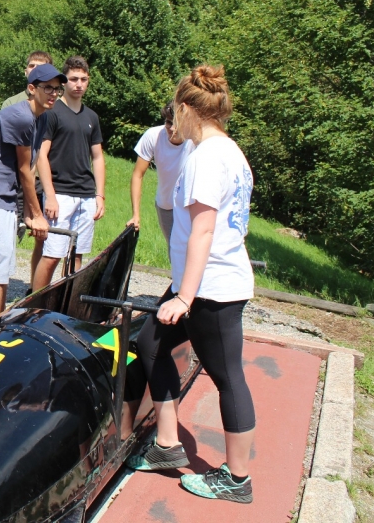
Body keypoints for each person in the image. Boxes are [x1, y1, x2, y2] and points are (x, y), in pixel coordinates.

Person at [127, 65, 256, 504]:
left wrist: (184, 295)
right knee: (152, 343)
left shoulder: (205, 157)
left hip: (211, 288)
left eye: (174, 112)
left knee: (227, 377)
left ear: (185, 108)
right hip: (203, 281)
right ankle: (167, 445)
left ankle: (237, 479)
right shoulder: (230, 150)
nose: (172, 123)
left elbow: (203, 230)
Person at [0, 63, 65, 322]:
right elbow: (25, 171)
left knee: (2, 269)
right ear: (32, 89)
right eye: (48, 88)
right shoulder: (20, 116)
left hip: (6, 196)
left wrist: (27, 211)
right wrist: (36, 214)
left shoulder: (42, 116)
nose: (53, 94)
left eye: (57, 89)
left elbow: (30, 165)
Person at [32, 56, 106, 291]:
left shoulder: (91, 117)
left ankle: (68, 307)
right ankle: (34, 306)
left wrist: (100, 195)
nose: (79, 84)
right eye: (74, 79)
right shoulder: (52, 112)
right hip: (60, 193)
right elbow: (41, 155)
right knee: (52, 254)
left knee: (76, 256)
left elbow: (98, 157)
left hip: (86, 193)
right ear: (65, 82)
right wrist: (50, 195)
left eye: (84, 79)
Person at [1, 51, 54, 283]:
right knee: (6, 241)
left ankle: (35, 288)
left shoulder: (50, 108)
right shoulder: (14, 106)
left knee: (42, 240)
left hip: (41, 183)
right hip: (14, 182)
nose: (34, 70)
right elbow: (22, 163)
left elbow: (42, 154)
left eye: (40, 67)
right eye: (31, 66)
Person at [128, 101, 194, 247]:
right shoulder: (153, 135)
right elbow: (138, 175)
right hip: (166, 205)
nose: (173, 128)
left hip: (189, 205)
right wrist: (135, 214)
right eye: (169, 122)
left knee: (191, 250)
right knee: (174, 252)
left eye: (178, 123)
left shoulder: (195, 140)